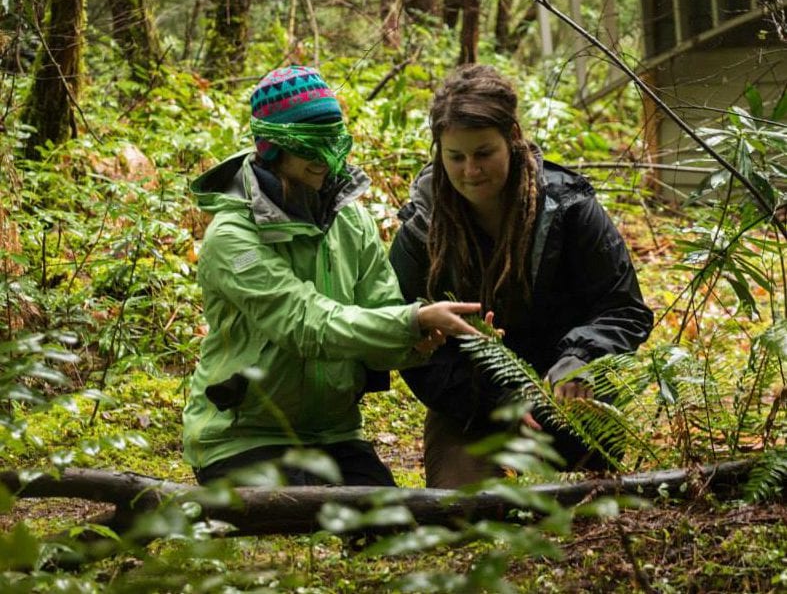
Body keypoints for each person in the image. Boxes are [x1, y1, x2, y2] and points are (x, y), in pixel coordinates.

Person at [182, 65, 481, 487]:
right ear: (272, 148)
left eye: (333, 141)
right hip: (241, 438)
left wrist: (418, 342)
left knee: (389, 525)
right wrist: (411, 321)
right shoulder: (232, 237)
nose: (327, 159)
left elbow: (381, 320)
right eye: (311, 145)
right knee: (314, 508)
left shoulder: (351, 220)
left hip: (334, 435)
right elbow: (305, 323)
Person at [389, 64, 654, 489]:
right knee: (463, 511)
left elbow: (623, 308)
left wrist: (579, 360)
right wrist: (493, 402)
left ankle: (565, 455)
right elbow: (408, 341)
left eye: (483, 153)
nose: (470, 170)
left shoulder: (569, 207)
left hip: (565, 394)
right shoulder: (425, 226)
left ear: (512, 137)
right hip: (471, 402)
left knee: (584, 503)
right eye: (455, 157)